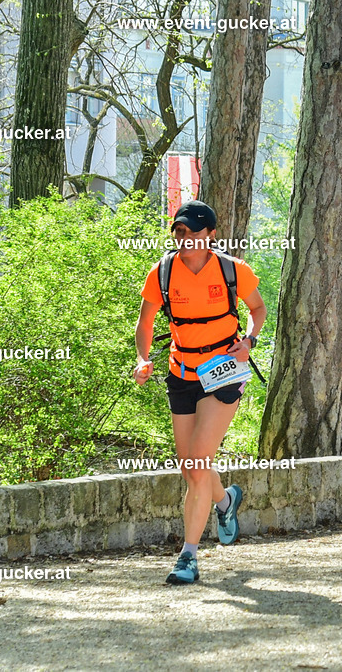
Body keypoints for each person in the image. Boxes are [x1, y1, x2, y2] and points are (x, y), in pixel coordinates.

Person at [134, 200, 267, 585]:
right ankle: (225, 501)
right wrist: (143, 359)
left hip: (223, 371)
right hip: (182, 372)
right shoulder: (162, 272)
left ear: (210, 234)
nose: (184, 239)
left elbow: (257, 309)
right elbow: (144, 324)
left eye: (192, 232)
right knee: (189, 466)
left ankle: (188, 557)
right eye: (179, 232)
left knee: (196, 464)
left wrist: (250, 340)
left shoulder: (232, 270)